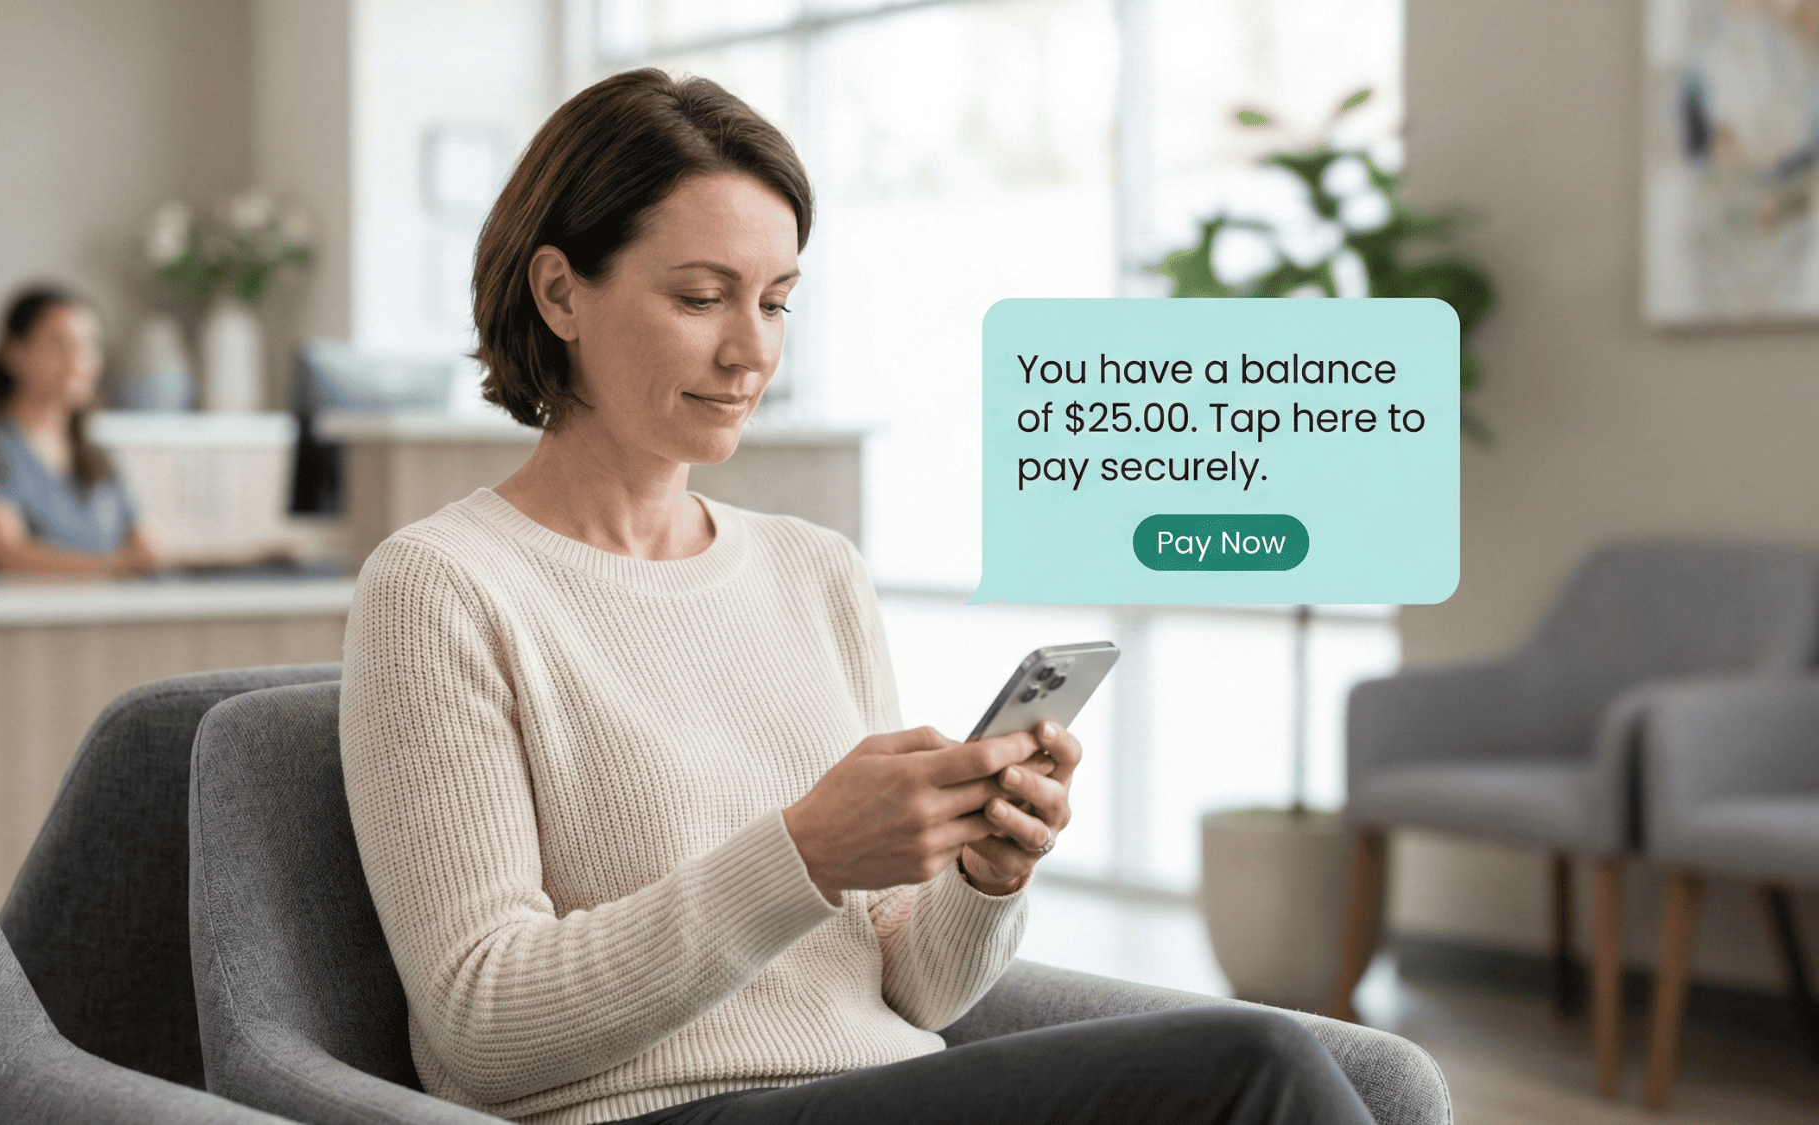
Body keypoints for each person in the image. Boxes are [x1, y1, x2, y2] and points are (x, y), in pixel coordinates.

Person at [339, 69, 1377, 1125]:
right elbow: (481, 1021)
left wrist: (982, 874)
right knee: (1252, 1063)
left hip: (881, 1089)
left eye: (775, 301)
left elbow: (913, 990)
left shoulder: (814, 571)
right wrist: (803, 853)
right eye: (699, 298)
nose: (752, 352)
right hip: (657, 1112)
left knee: (1291, 1069)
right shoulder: (443, 586)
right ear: (559, 292)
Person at [0, 285, 159, 575]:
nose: (78, 360)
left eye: (89, 345)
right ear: (15, 354)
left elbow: (140, 547)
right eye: (60, 344)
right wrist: (114, 569)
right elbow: (6, 554)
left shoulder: (94, 454)